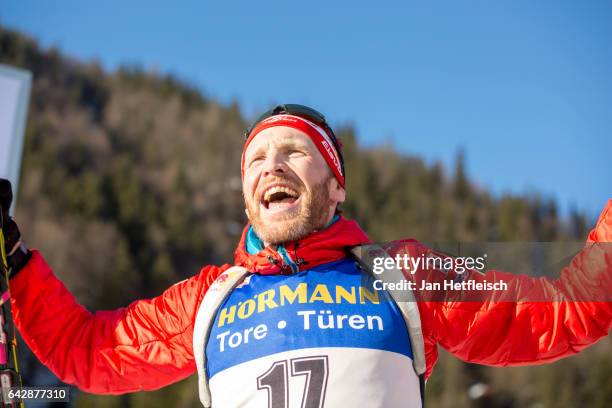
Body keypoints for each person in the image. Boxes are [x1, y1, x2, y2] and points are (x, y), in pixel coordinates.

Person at [1, 104, 611, 408]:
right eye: (258, 160)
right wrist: (15, 260)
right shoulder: (209, 298)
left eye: (294, 152)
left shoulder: (407, 271)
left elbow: (568, 309)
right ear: (246, 196)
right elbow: (87, 351)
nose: (273, 166)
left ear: (336, 184)